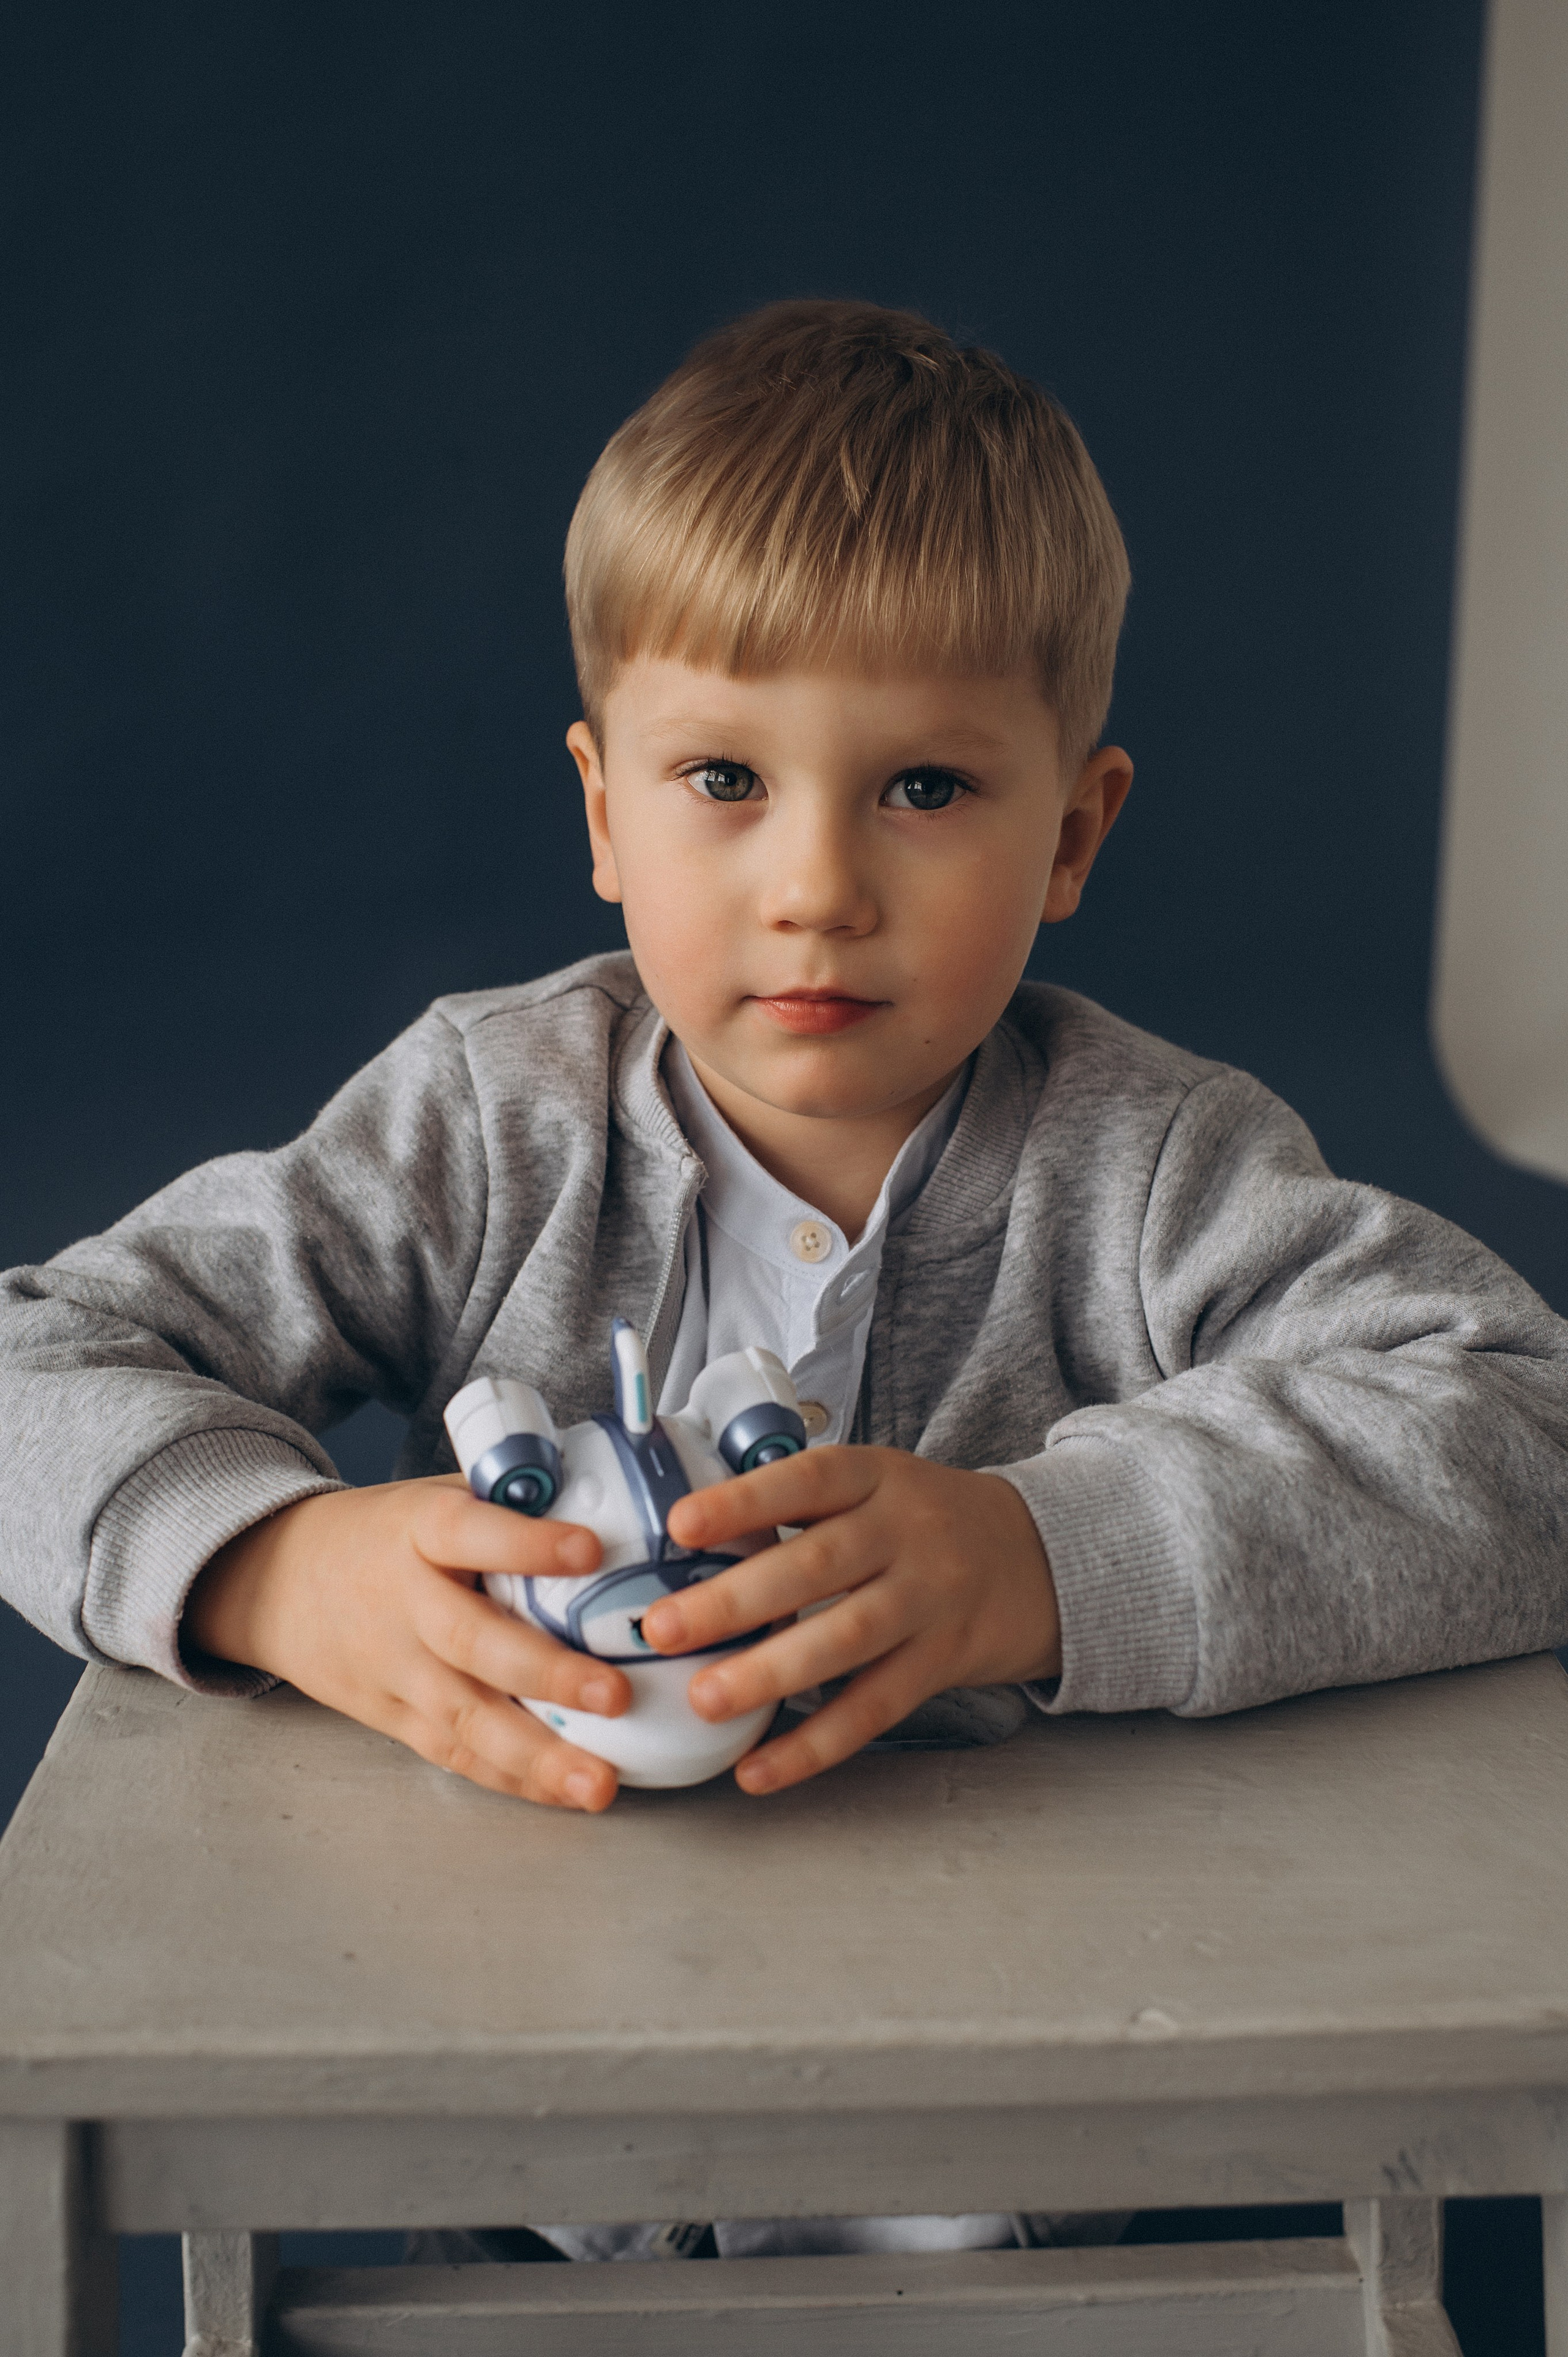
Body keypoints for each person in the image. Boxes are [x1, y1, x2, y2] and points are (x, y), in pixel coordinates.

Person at [3, 298, 1567, 2263]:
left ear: (1076, 830)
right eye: (725, 780)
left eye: (926, 788)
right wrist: (271, 1569)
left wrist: (1046, 1554)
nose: (816, 882)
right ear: (600, 809)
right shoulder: (492, 1123)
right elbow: (28, 1360)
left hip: (1033, 2153)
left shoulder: (1144, 1164)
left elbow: (1523, 1420)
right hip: (532, 2152)